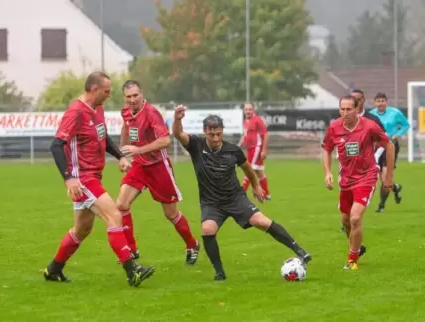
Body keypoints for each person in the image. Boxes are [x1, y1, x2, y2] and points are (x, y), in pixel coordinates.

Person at [172, 105, 311, 281]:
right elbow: (178, 134)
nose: (215, 138)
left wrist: (256, 186)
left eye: (218, 134)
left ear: (222, 131)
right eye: (211, 134)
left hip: (235, 198)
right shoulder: (196, 146)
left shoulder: (233, 150)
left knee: (262, 221)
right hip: (211, 202)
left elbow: (248, 168)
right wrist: (177, 118)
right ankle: (219, 273)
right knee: (207, 230)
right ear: (204, 132)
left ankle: (299, 250)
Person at [44, 72, 155, 287]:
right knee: (114, 214)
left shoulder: (98, 109)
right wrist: (69, 178)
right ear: (94, 90)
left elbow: (104, 138)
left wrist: (120, 156)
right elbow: (56, 145)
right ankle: (132, 271)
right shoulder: (75, 112)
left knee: (82, 230)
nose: (109, 95)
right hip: (82, 179)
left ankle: (54, 269)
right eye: (106, 91)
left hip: (93, 176)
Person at [117, 80, 200, 265]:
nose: (132, 100)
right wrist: (122, 154)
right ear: (124, 97)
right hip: (139, 166)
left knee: (171, 214)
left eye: (135, 95)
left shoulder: (151, 113)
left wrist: (138, 150)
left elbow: (165, 141)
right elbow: (125, 127)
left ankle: (192, 244)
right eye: (129, 96)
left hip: (158, 167)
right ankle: (131, 249)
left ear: (142, 93)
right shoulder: (126, 112)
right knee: (121, 205)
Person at [322, 95, 395, 270]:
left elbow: (389, 145)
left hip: (366, 177)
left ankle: (352, 259)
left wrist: (389, 177)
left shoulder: (369, 126)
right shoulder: (334, 127)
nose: (345, 112)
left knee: (355, 218)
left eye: (349, 109)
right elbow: (326, 149)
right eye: (342, 109)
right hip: (346, 180)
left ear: (357, 109)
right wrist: (327, 173)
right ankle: (357, 247)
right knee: (346, 221)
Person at [369, 92, 409, 213]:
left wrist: (397, 134)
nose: (381, 103)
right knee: (382, 178)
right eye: (378, 101)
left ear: (386, 102)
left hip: (390, 145)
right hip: (376, 147)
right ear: (375, 102)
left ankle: (381, 205)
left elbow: (405, 125)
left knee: (386, 176)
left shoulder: (395, 112)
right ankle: (395, 188)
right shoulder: (371, 115)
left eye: (383, 101)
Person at [238, 103, 271, 200]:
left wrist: (264, 150)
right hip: (250, 150)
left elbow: (265, 134)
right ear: (244, 111)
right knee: (260, 172)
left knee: (249, 170)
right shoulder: (245, 122)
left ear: (253, 110)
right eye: (246, 109)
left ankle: (241, 194)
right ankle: (267, 194)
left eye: (250, 109)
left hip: (256, 148)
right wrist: (238, 146)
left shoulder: (257, 120)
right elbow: (244, 136)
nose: (248, 111)